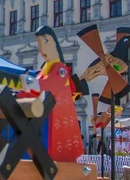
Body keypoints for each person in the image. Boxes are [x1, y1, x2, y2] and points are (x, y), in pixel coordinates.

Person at [19, 26, 84, 162]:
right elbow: (34, 90)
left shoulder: (60, 69)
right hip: (46, 121)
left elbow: (48, 84)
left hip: (59, 121)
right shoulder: (45, 69)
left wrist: (26, 83)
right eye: (39, 44)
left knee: (60, 159)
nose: (42, 49)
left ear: (54, 43)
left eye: (45, 42)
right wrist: (18, 95)